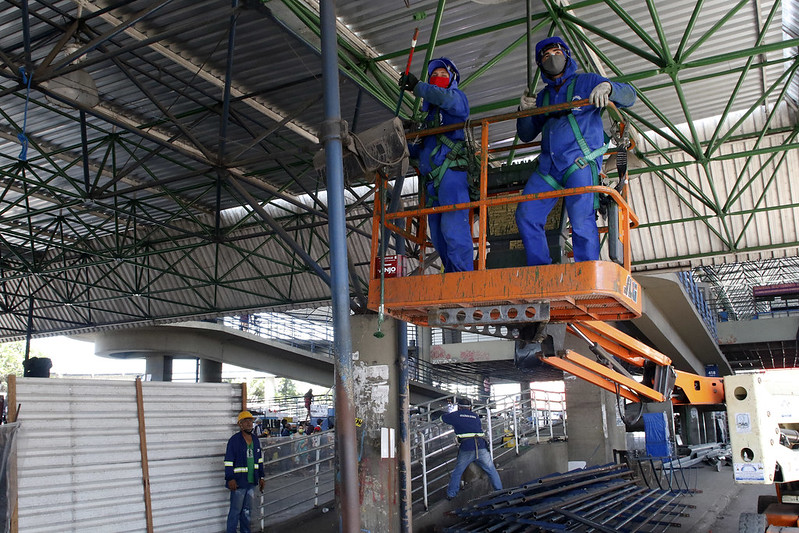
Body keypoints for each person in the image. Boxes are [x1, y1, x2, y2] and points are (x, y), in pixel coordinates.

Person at [515, 36, 636, 266]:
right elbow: (527, 134)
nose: (552, 58)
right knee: (526, 215)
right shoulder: (543, 97)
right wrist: (524, 112)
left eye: (556, 52)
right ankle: (541, 269)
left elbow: (630, 96)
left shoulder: (587, 82)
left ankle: (587, 272)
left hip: (578, 163)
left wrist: (608, 87)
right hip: (549, 168)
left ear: (567, 55)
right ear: (541, 65)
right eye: (546, 56)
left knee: (581, 219)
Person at [400, 57, 474, 272]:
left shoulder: (457, 100)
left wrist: (417, 86)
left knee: (453, 228)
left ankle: (463, 278)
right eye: (435, 76)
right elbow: (423, 150)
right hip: (432, 184)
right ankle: (452, 276)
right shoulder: (430, 119)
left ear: (452, 79)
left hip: (452, 175)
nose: (439, 78)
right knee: (439, 237)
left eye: (444, 75)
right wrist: (401, 143)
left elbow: (445, 98)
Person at [441, 397, 502, 500]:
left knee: (458, 471)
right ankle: (500, 491)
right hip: (481, 446)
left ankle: (451, 494)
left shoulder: (455, 415)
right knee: (491, 470)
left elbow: (442, 418)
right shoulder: (475, 416)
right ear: (470, 408)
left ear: (459, 407)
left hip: (467, 447)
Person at [224, 411, 265, 533]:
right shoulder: (234, 440)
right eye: (246, 421)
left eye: (250, 421)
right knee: (235, 512)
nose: (249, 423)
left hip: (251, 482)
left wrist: (261, 477)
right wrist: (230, 478)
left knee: (247, 512)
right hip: (238, 483)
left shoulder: (255, 440)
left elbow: (259, 460)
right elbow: (228, 461)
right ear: (240, 425)